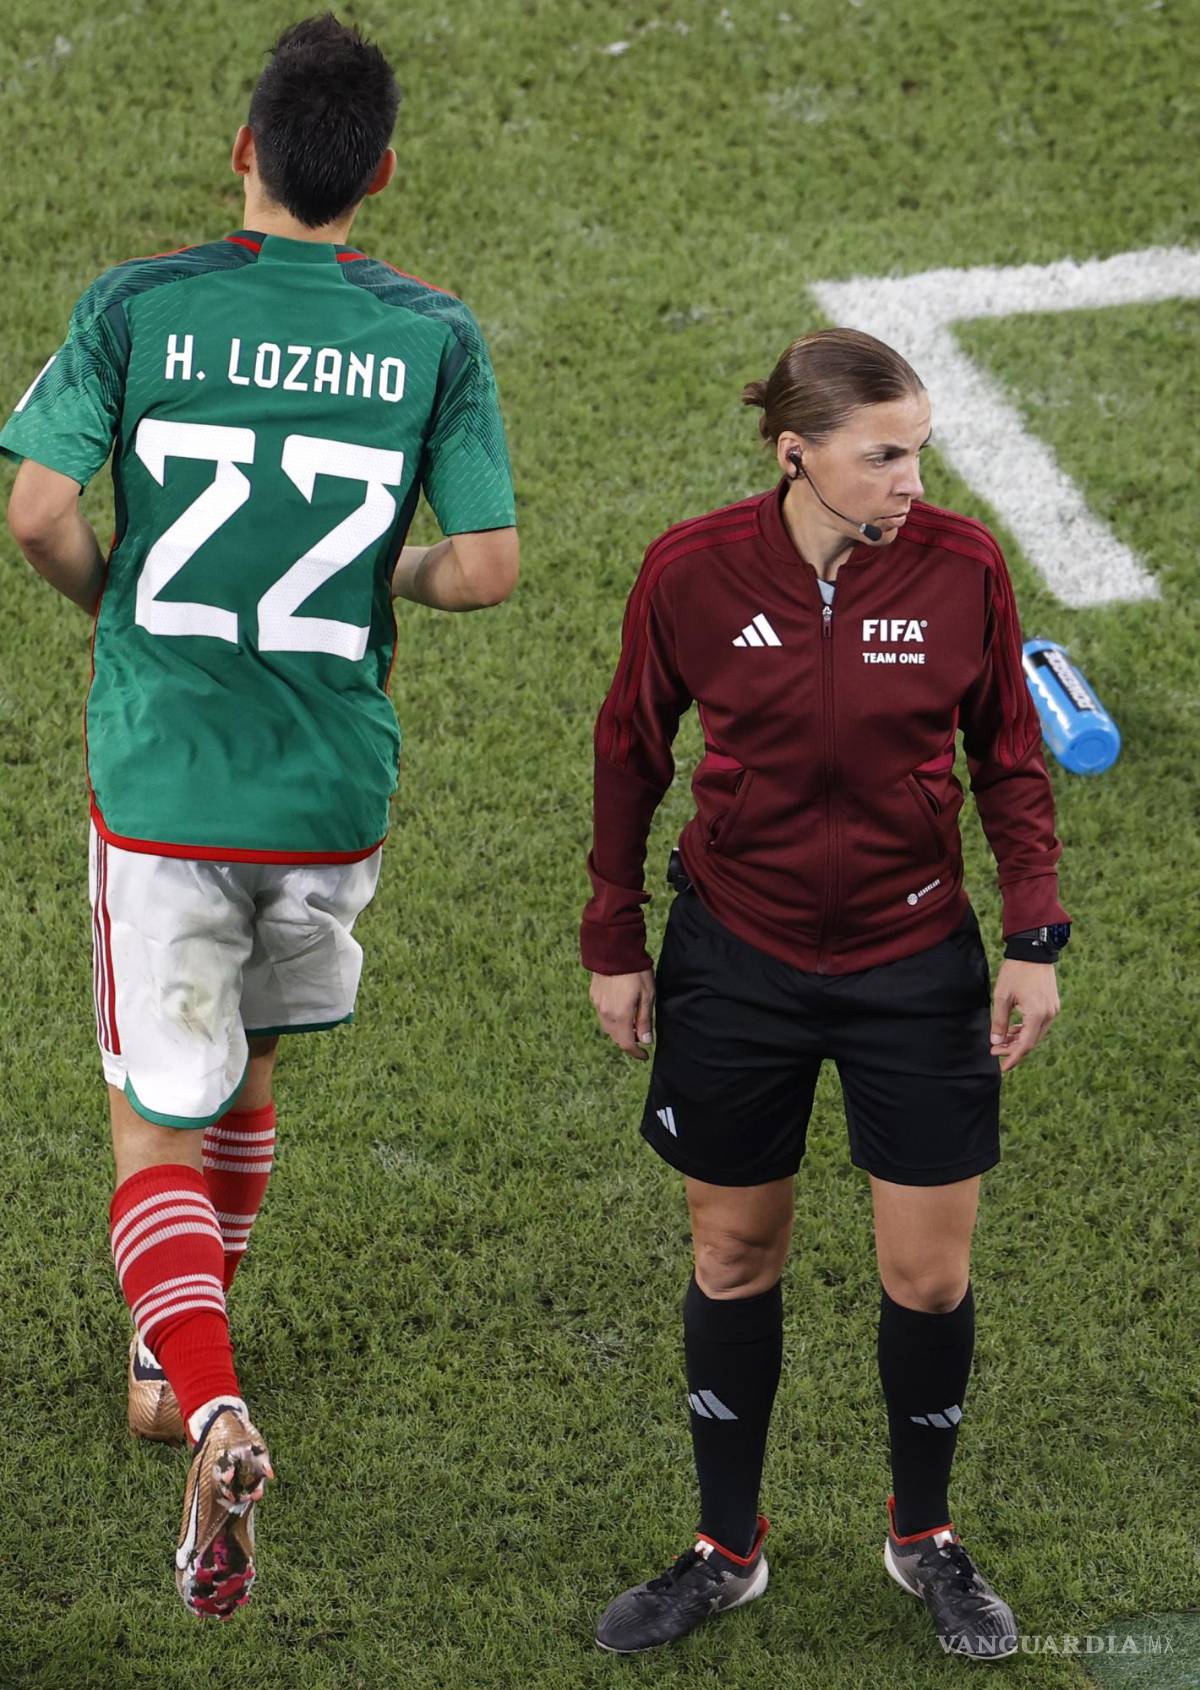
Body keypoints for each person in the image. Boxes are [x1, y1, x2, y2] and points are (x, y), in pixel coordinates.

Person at [2, 14, 518, 1620]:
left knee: (150, 1110)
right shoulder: (435, 336)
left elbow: (35, 507)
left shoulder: (140, 304)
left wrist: (118, 599)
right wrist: (389, 577)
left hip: (166, 782)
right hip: (329, 793)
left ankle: (198, 1391)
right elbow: (488, 567)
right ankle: (187, 1347)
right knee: (249, 1062)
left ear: (244, 150)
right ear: (380, 173)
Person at [581, 328, 1069, 1661]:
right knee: (735, 1252)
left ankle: (925, 1539)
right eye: (887, 454)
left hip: (916, 966)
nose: (914, 478)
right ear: (799, 455)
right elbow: (632, 750)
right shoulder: (691, 572)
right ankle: (724, 1549)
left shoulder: (962, 566)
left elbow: (1009, 758)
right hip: (736, 960)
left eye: (918, 448)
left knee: (927, 1275)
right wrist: (613, 934)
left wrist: (1036, 933)